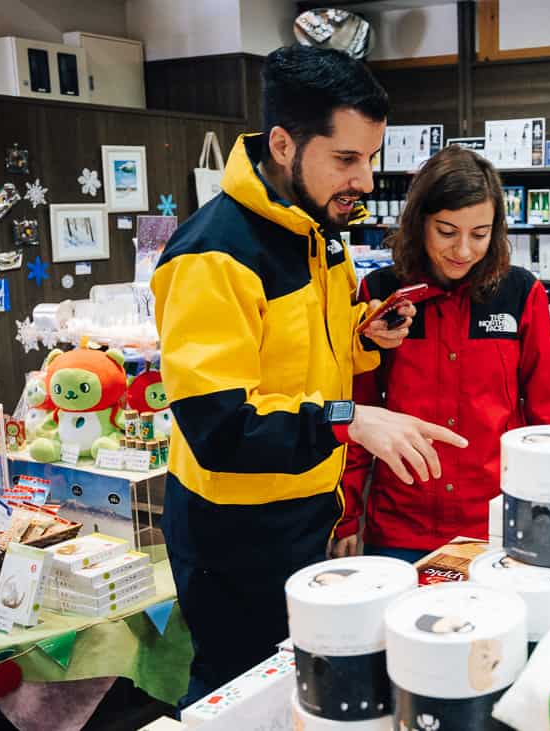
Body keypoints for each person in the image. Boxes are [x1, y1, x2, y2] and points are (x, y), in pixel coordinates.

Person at [151, 46, 466, 707]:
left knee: (298, 683)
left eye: (372, 158)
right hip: (232, 532)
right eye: (347, 159)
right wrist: (353, 420)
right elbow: (221, 428)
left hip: (303, 509)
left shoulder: (318, 230)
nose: (366, 180)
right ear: (284, 144)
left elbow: (301, 357)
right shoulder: (212, 256)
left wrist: (363, 336)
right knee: (239, 694)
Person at [333, 146, 550, 562]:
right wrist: (348, 514)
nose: (463, 250)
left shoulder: (521, 294)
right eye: (446, 231)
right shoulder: (380, 297)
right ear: (419, 222)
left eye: (479, 234)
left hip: (496, 520)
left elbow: (548, 415)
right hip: (401, 522)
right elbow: (359, 410)